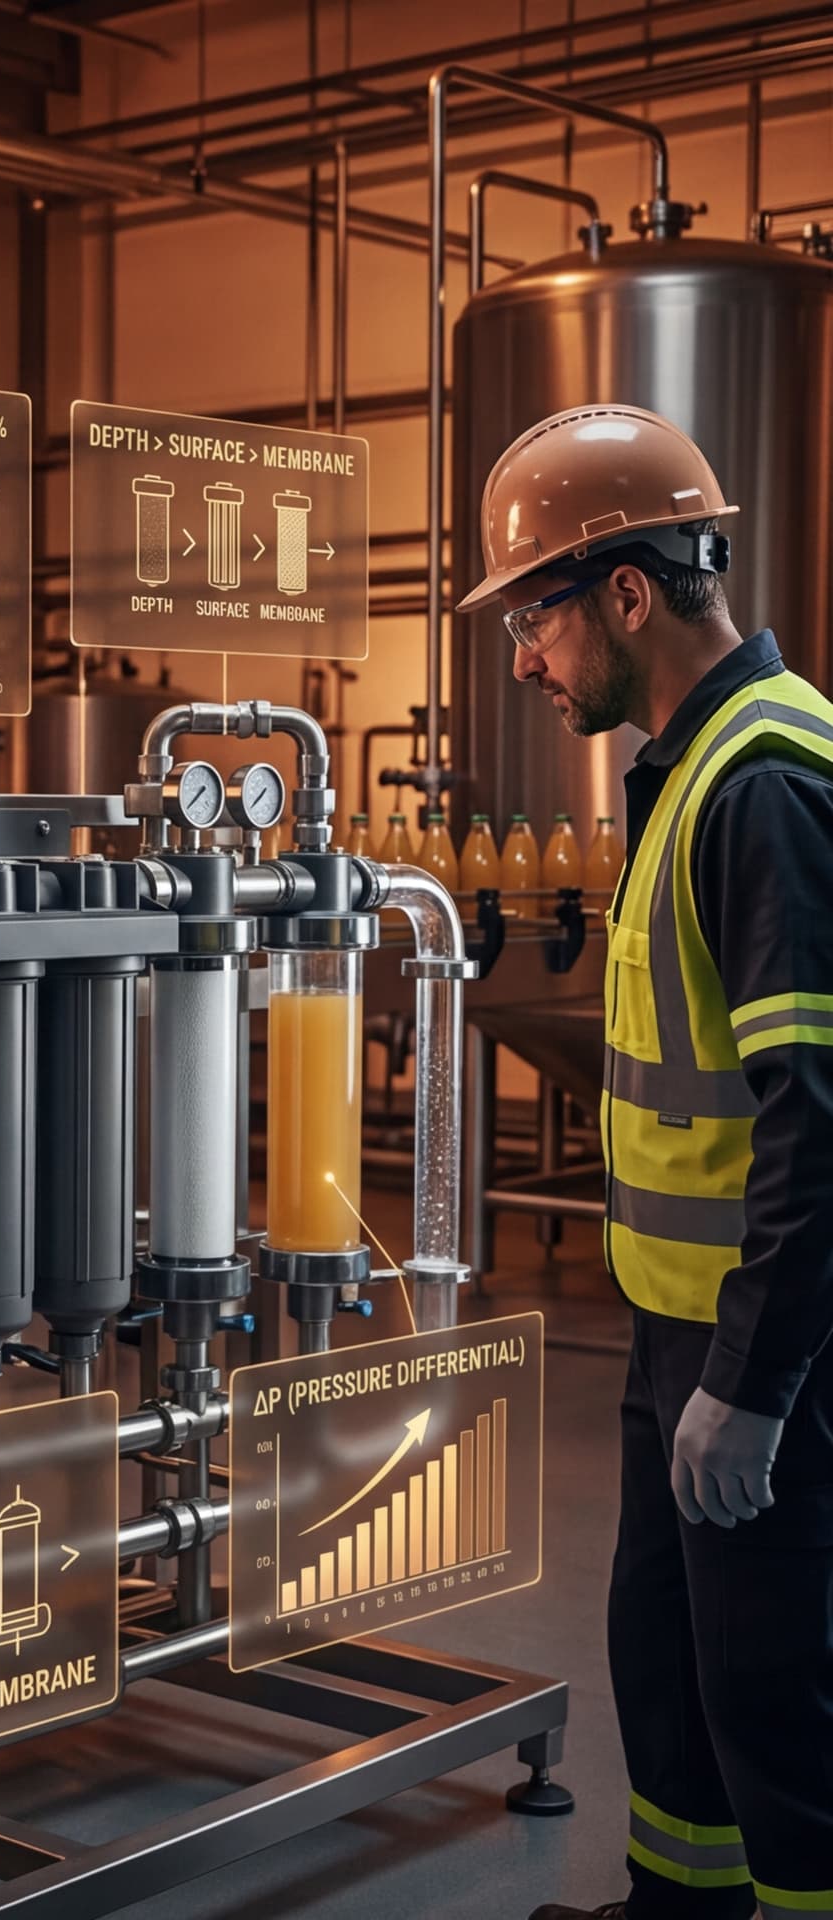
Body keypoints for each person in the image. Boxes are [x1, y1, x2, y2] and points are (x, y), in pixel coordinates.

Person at [458, 404, 833, 1920]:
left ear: (628, 591)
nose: (529, 661)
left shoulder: (764, 783)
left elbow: (818, 1119)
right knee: (668, 1666)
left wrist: (750, 1387)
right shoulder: (685, 768)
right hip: (672, 1323)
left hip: (770, 1352)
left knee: (779, 1712)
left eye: (537, 615)